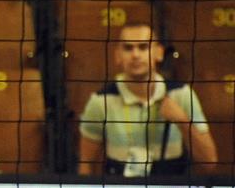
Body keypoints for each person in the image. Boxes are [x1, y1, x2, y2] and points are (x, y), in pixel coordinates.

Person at [78, 22, 217, 177]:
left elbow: (210, 162)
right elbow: (86, 163)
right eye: (128, 48)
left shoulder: (181, 94)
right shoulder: (101, 101)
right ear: (117, 55)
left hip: (171, 187)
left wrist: (181, 120)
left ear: (159, 53)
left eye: (143, 47)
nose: (135, 55)